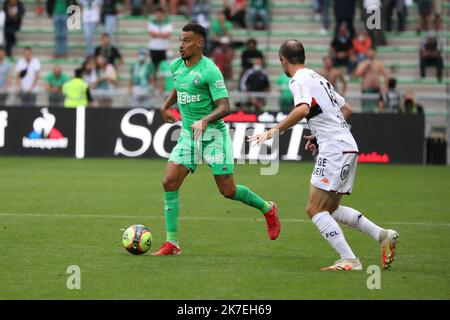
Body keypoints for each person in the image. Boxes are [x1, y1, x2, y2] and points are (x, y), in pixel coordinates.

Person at [249, 40, 399, 271]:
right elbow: (346, 109)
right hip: (347, 145)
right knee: (329, 208)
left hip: (335, 148)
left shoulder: (297, 80)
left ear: (283, 60)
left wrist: (273, 131)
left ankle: (349, 259)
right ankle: (382, 235)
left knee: (314, 209)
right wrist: (319, 136)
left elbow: (302, 109)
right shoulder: (318, 78)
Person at [152, 23, 280, 256]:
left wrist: (205, 120)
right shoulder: (176, 66)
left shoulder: (210, 70)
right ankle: (172, 243)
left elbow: (225, 107)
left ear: (199, 43)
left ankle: (267, 208)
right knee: (169, 181)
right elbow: (179, 88)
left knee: (228, 191)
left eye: (187, 41)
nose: (181, 44)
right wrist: (164, 106)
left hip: (213, 136)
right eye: (180, 40)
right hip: (188, 137)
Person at [355, 48, 389, 112]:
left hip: (377, 89)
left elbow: (386, 75)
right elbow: (357, 75)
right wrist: (366, 66)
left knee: (381, 107)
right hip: (367, 89)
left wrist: (385, 87)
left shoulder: (379, 63)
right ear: (366, 53)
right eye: (369, 52)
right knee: (368, 109)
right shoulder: (362, 63)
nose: (371, 54)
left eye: (372, 52)